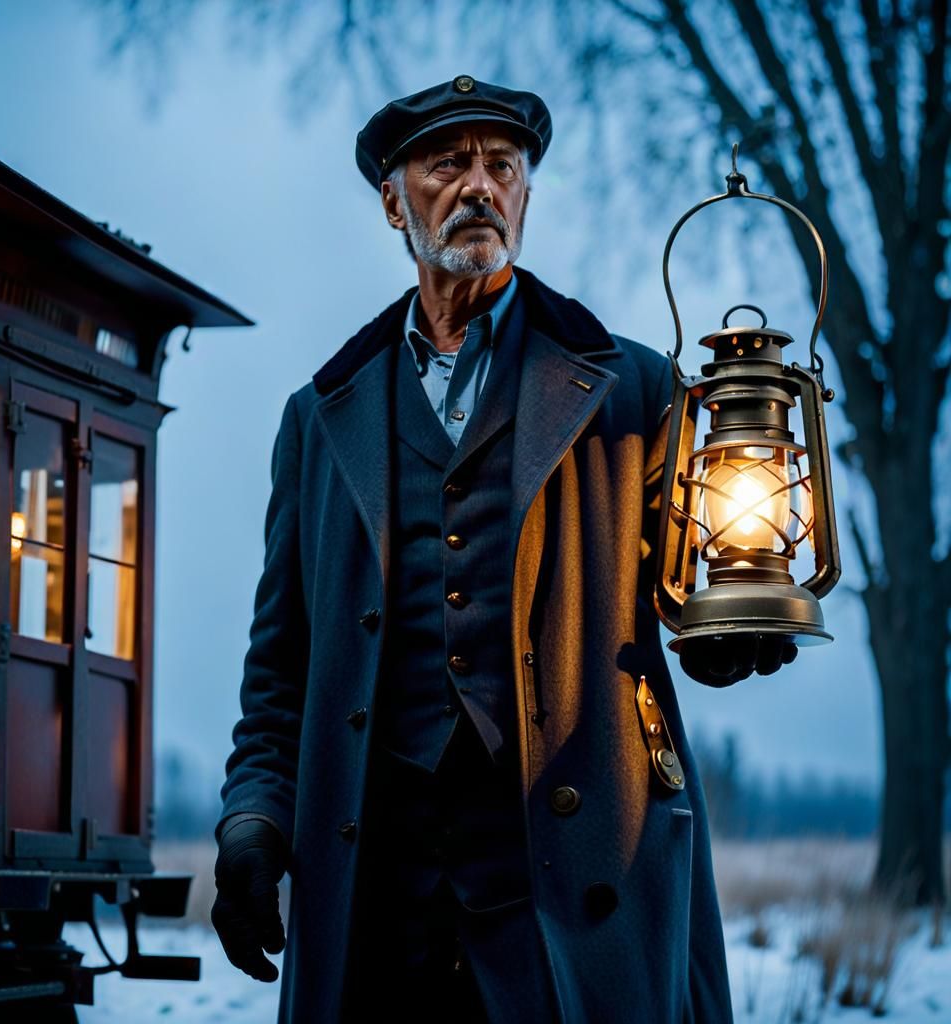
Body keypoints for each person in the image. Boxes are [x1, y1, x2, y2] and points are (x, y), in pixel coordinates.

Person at [211, 76, 795, 1023]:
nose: (481, 185)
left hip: (576, 891)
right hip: (377, 899)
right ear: (393, 202)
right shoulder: (318, 420)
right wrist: (252, 823)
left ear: (525, 193)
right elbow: (279, 671)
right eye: (448, 164)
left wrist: (732, 628)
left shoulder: (634, 392)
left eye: (504, 166)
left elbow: (701, 593)